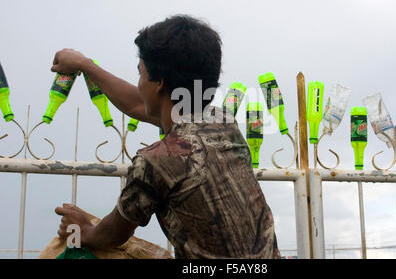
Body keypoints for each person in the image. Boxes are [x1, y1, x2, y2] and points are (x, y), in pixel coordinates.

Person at [53, 15, 280, 259]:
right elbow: (137, 105)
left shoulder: (157, 161)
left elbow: (113, 234)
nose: (139, 83)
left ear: (158, 83)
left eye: (140, 74)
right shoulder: (223, 124)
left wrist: (82, 229)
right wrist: (85, 65)